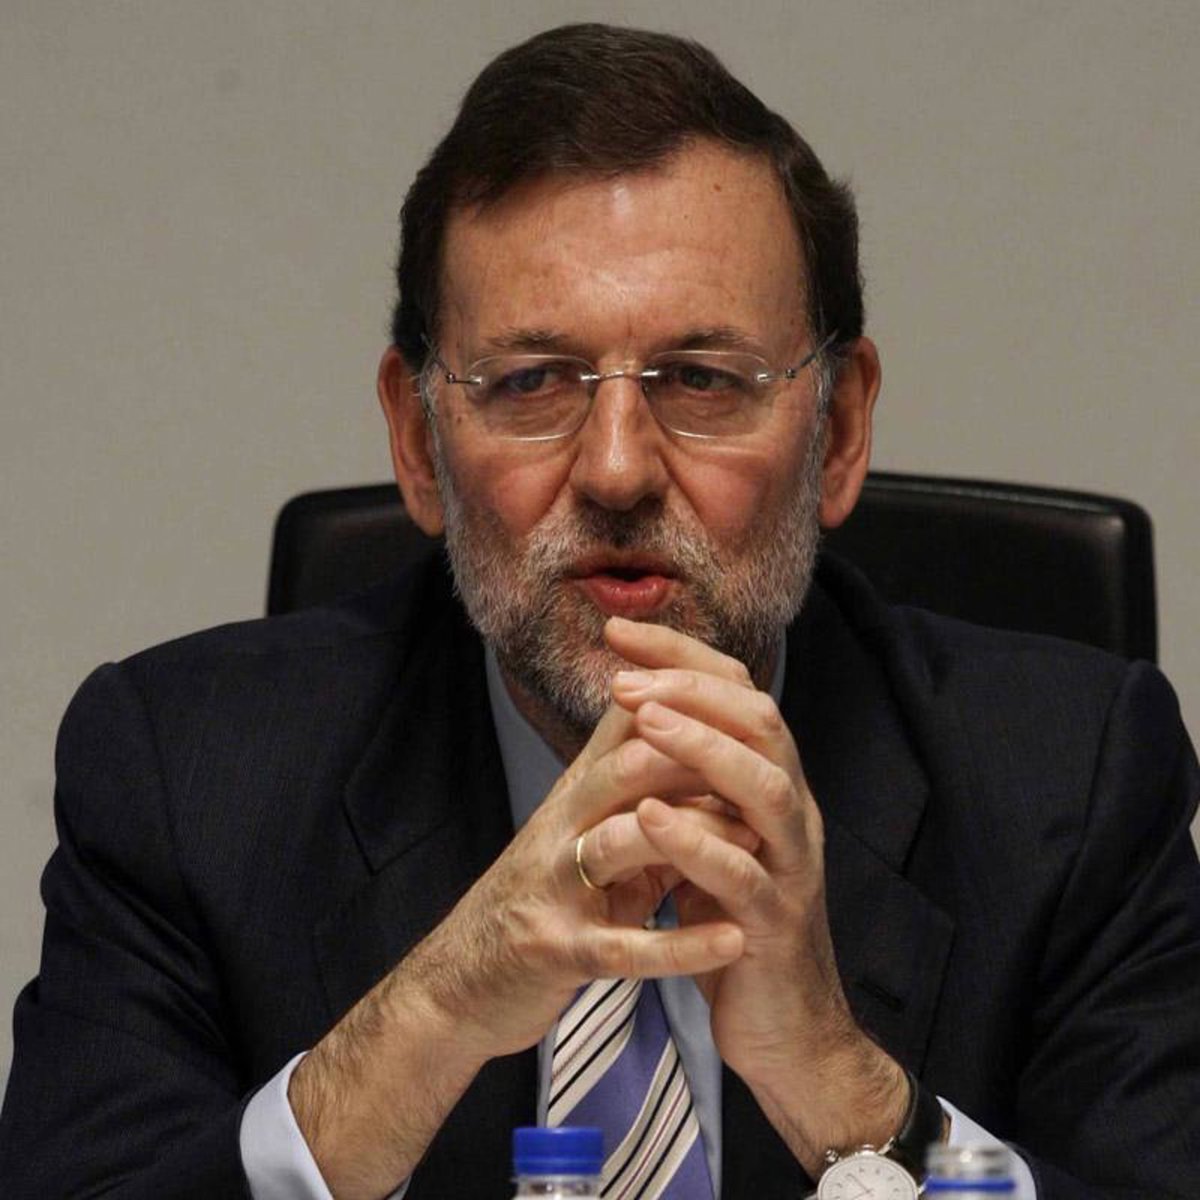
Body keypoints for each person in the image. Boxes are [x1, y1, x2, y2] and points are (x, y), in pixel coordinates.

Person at [2, 21, 1198, 1200]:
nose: (617, 470)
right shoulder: (183, 776)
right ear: (418, 441)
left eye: (703, 379)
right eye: (531, 382)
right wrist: (425, 1022)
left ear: (838, 430)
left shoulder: (1072, 786)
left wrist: (849, 1094)